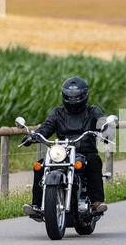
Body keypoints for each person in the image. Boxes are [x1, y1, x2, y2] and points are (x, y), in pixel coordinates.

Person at [23, 76, 108, 219]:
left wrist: (106, 132)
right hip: (63, 152)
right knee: (40, 165)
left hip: (85, 152)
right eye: (70, 97)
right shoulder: (57, 113)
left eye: (77, 97)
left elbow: (103, 123)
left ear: (84, 95)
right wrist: (34, 136)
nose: (73, 100)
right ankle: (37, 206)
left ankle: (96, 202)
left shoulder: (93, 111)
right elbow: (46, 127)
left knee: (93, 161)